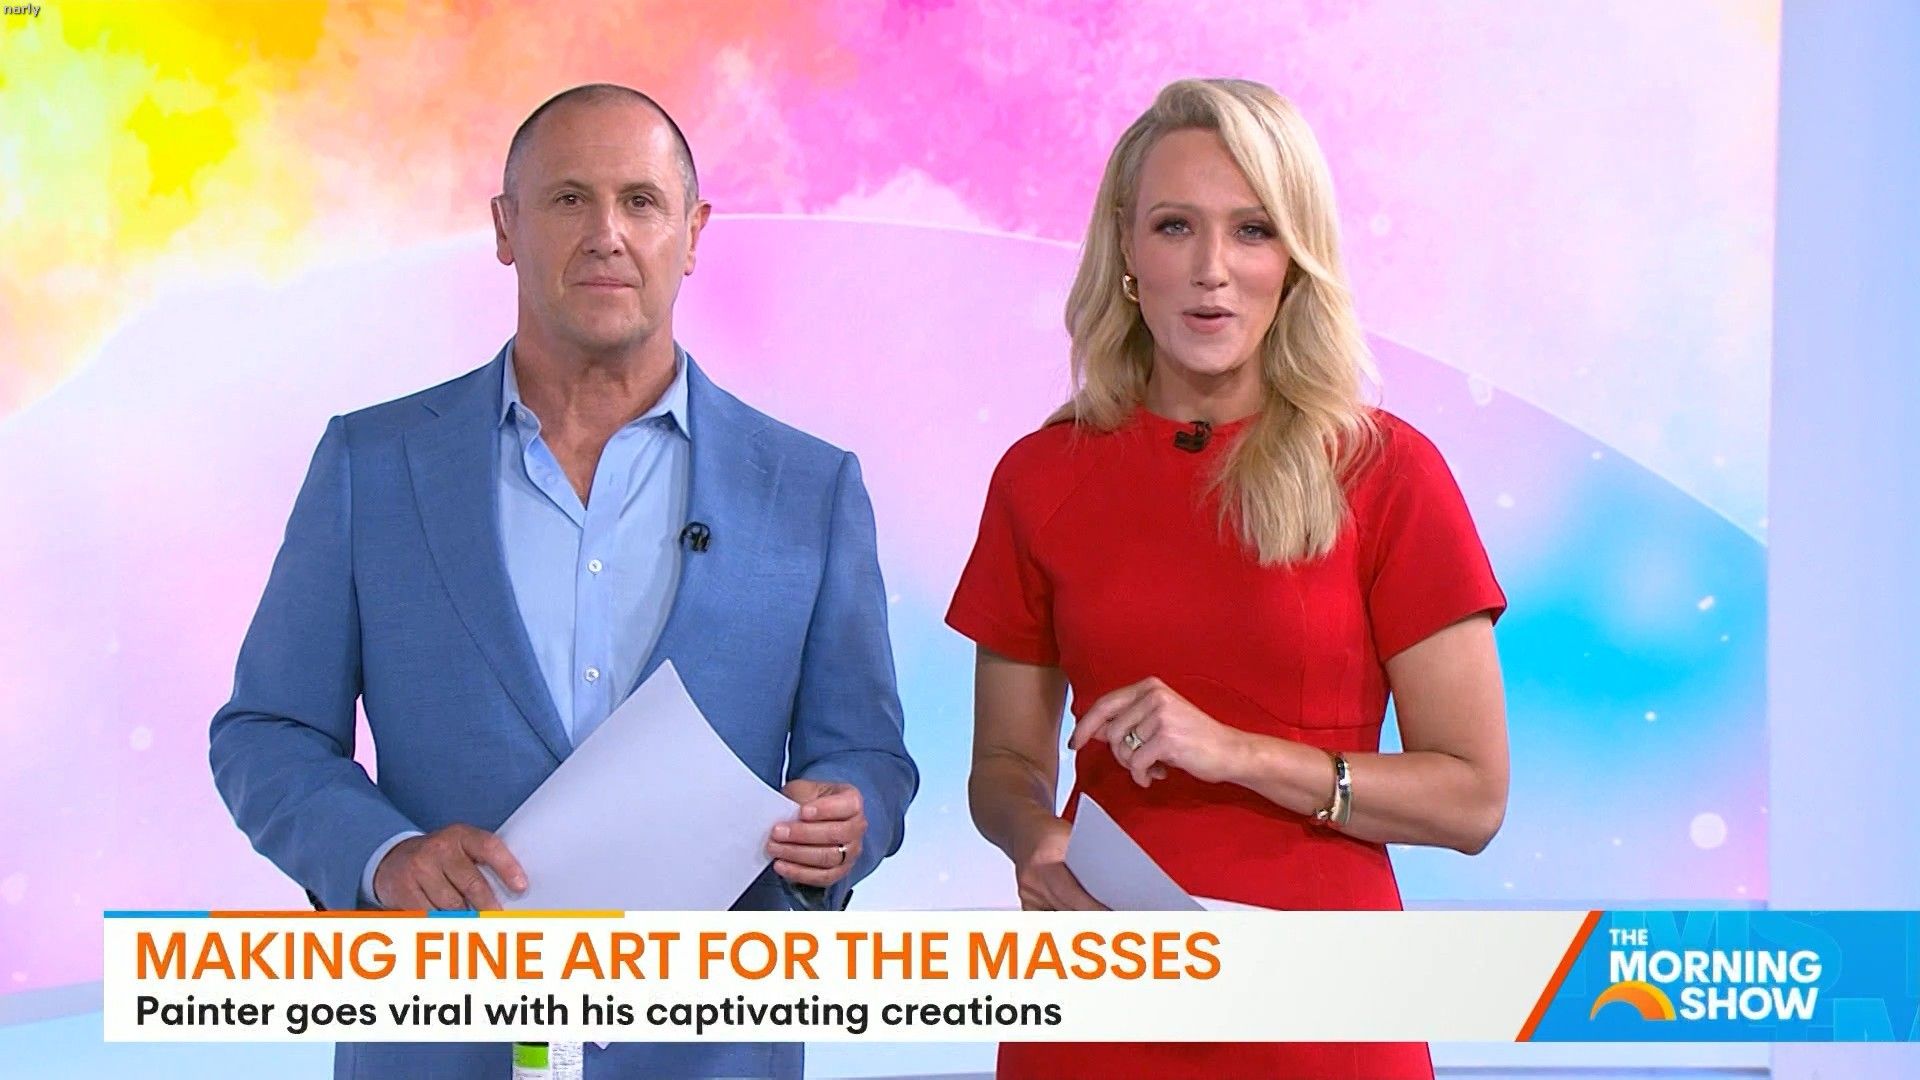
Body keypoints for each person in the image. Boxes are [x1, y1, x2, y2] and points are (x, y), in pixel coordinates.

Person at [209, 83, 918, 1080]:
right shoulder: (373, 466)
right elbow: (268, 733)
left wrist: (850, 822)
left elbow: (869, 755)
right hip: (440, 1042)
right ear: (506, 228)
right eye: (569, 199)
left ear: (693, 234)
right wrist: (384, 858)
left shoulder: (809, 487)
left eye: (641, 202)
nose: (606, 235)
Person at [947, 78, 1508, 1080]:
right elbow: (1003, 762)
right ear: (1127, 251)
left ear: (1295, 258)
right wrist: (1034, 839)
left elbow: (1471, 800)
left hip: (1322, 1015)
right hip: (1097, 998)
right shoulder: (1040, 476)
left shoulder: (1388, 472)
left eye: (1253, 230)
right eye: (1176, 227)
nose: (1213, 270)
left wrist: (1237, 753)